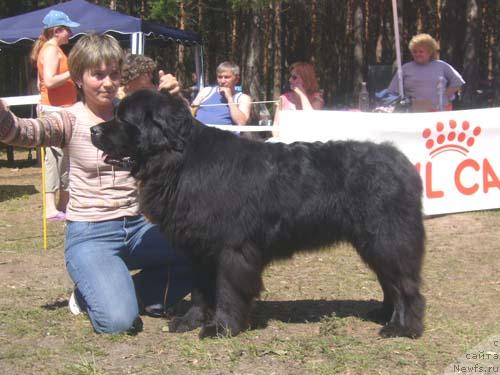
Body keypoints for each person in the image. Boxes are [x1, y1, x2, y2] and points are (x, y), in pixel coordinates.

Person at [0, 34, 192, 334]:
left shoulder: (135, 113)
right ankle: (95, 292)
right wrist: (3, 117)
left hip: (140, 228)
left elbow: (185, 137)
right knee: (118, 322)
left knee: (203, 247)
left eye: (114, 74)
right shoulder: (69, 120)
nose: (107, 83)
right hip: (91, 234)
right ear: (78, 77)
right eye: (98, 75)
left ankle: (138, 294)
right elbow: (25, 132)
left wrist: (175, 99)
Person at [30, 10, 80, 221]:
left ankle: (63, 204)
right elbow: (49, 81)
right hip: (53, 111)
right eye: (67, 29)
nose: (70, 33)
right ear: (57, 31)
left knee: (65, 159)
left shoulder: (55, 49)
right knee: (54, 159)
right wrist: (75, 71)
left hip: (63, 110)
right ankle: (51, 207)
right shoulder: (50, 51)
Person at [387, 33, 465, 112]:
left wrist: (445, 95)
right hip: (416, 111)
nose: (417, 54)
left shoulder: (441, 65)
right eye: (415, 51)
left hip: (441, 109)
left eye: (421, 51)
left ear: (430, 52)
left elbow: (458, 82)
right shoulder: (405, 68)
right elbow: (393, 90)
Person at [192, 61, 252, 126]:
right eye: (220, 77)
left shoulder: (243, 98)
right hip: (199, 133)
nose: (222, 81)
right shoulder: (206, 91)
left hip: (225, 135)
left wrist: (229, 98)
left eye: (227, 77)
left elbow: (241, 122)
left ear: (236, 79)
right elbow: (191, 112)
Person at [272, 62, 324, 135]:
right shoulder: (283, 99)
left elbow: (312, 122)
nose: (290, 80)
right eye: (290, 77)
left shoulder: (316, 99)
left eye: (294, 77)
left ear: (306, 79)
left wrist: (302, 95)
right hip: (285, 143)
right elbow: (276, 127)